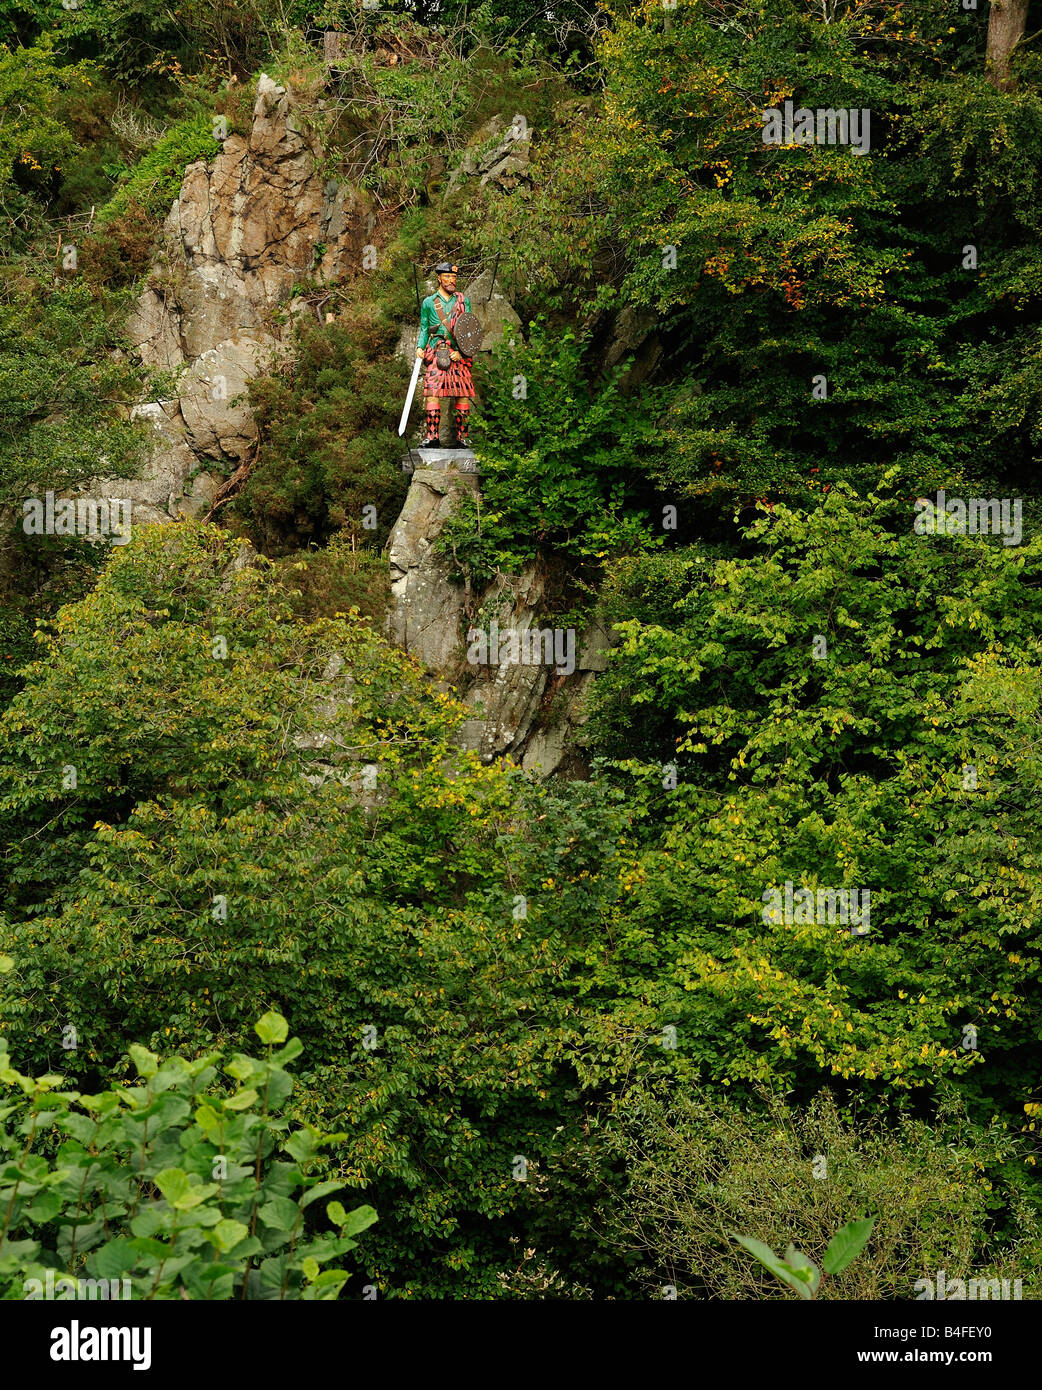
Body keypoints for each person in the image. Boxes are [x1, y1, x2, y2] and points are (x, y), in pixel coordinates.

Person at [415, 262, 474, 448]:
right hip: (437, 351)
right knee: (432, 394)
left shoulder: (463, 301)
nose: (451, 280)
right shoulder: (428, 302)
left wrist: (461, 352)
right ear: (439, 278)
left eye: (454, 277)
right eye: (447, 277)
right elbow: (425, 327)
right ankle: (432, 436)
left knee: (463, 395)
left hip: (457, 354)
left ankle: (462, 437)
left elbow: (469, 329)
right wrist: (420, 346)